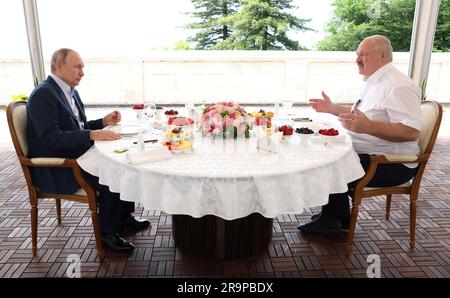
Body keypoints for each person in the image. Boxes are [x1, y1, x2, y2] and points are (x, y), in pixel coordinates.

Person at [26, 48, 150, 252]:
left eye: (82, 67)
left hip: (76, 155)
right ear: (59, 66)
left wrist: (102, 122)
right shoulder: (43, 95)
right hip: (58, 167)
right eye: (77, 67)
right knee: (112, 172)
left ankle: (123, 217)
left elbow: (78, 129)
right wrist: (91, 135)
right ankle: (106, 234)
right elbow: (50, 137)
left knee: (123, 162)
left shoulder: (68, 92)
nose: (82, 72)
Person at [298, 35, 421, 233]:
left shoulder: (399, 86)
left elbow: (411, 132)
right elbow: (361, 116)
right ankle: (339, 216)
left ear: (382, 55)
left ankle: (333, 220)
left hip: (391, 164)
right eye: (357, 55)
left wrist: (368, 127)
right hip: (370, 155)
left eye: (363, 54)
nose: (357, 60)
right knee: (324, 149)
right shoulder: (373, 81)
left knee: (329, 162)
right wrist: (331, 108)